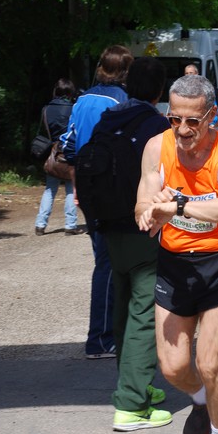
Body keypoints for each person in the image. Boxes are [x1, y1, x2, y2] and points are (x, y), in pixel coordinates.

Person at [136, 75, 218, 434]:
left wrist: (179, 205)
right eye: (174, 119)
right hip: (174, 264)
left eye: (193, 121)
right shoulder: (156, 148)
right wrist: (149, 213)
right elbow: (142, 204)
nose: (182, 130)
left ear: (212, 117)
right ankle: (201, 401)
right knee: (173, 368)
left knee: (210, 361)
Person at [91, 57, 173, 431]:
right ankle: (132, 406)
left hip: (108, 226)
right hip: (144, 227)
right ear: (160, 90)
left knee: (124, 311)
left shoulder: (109, 119)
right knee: (144, 315)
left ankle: (135, 385)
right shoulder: (157, 126)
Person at [61, 45, 133, 359]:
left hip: (89, 190)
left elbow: (68, 145)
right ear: (125, 72)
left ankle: (109, 334)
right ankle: (101, 339)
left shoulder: (82, 100)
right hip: (114, 190)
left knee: (105, 259)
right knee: (111, 263)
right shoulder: (122, 102)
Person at [35, 78, 79, 236]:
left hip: (52, 154)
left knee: (49, 190)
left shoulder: (46, 109)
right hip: (68, 151)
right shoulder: (74, 108)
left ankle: (40, 224)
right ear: (70, 92)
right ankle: (70, 225)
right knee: (70, 189)